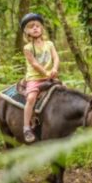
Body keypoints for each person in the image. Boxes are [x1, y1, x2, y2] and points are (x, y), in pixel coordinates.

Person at [21, 13, 60, 143]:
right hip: (35, 78)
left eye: (38, 26)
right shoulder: (27, 48)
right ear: (27, 32)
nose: (35, 28)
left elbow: (56, 57)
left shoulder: (49, 44)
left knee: (64, 90)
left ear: (42, 28)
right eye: (31, 27)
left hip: (49, 76)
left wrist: (54, 69)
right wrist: (46, 73)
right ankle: (26, 127)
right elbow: (34, 64)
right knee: (31, 98)